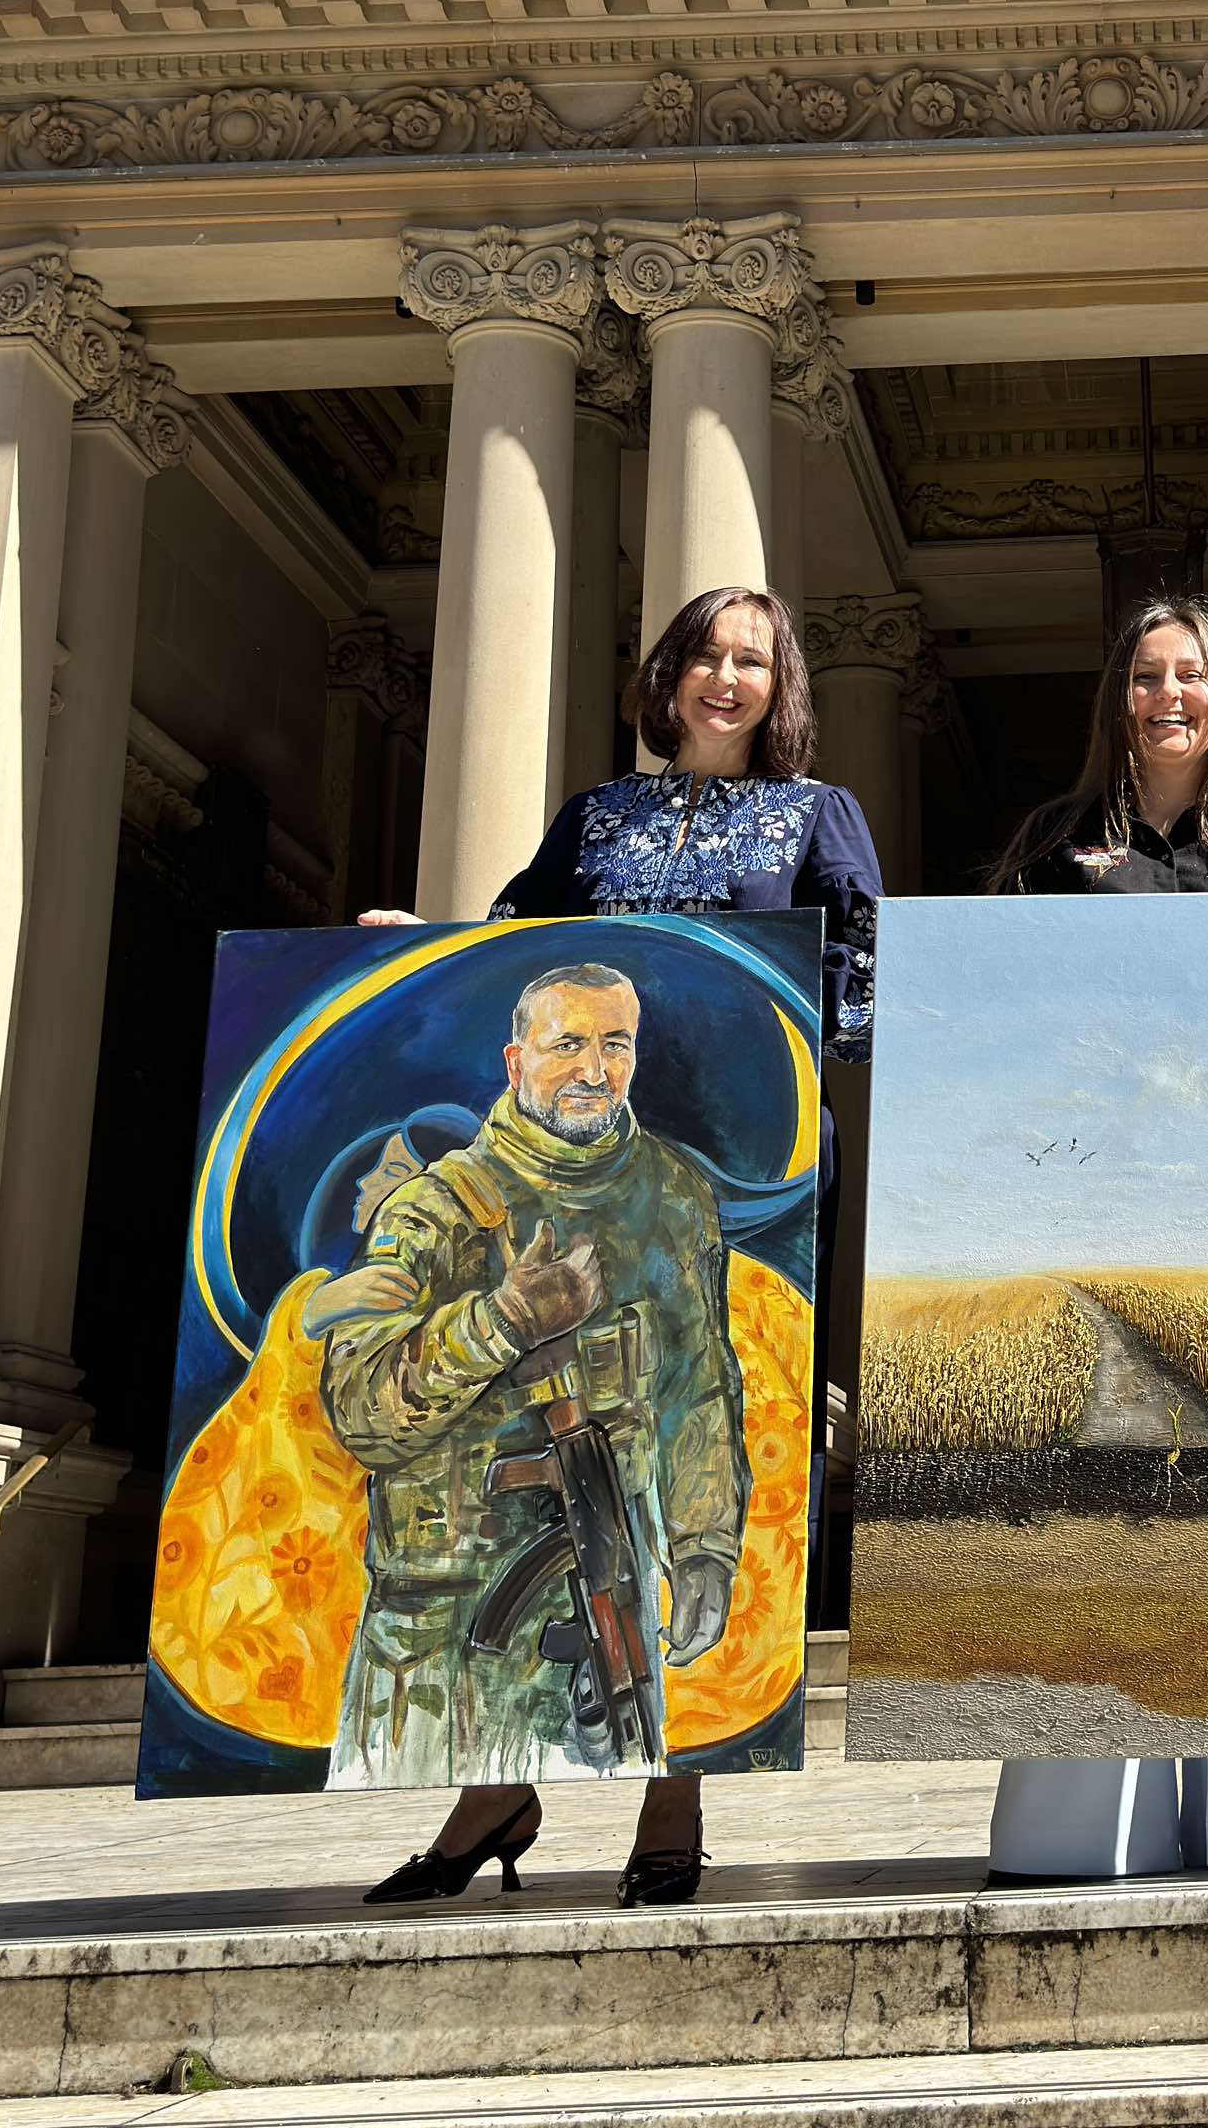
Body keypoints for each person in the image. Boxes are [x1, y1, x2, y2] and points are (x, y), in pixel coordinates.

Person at [360, 584, 879, 1908]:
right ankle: (496, 1784)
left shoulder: (819, 820)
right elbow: (518, 943)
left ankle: (673, 1797)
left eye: (751, 661)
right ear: (668, 674)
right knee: (503, 1455)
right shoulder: (596, 816)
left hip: (708, 1186)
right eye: (704, 655)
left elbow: (863, 981)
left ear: (782, 686)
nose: (724, 679)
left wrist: (799, 1063)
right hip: (544, 1186)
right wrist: (415, 951)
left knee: (674, 1439)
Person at [984, 597, 1208, 1883]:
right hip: (1089, 1210)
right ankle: (1078, 1831)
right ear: (1117, 701)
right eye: (1146, 676)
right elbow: (1010, 1031)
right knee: (1095, 1513)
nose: (1169, 694)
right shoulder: (1048, 843)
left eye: (1191, 673)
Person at [314, 961, 747, 1786]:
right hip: (438, 1643)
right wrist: (504, 1321)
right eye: (568, 1045)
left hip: (607, 1614)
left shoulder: (675, 1195)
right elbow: (361, 1414)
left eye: (615, 1045)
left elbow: (699, 1387)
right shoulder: (432, 1209)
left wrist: (704, 1548)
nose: (594, 1070)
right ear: (517, 1064)